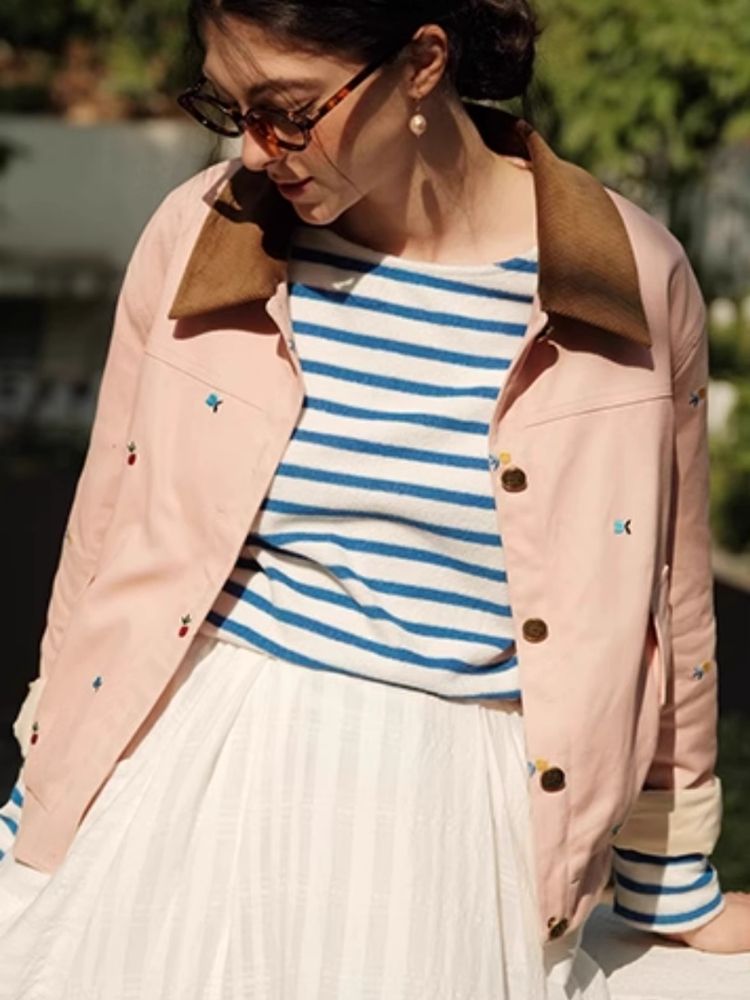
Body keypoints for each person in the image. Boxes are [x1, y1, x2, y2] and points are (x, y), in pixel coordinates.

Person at [1, 0, 748, 996]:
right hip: (193, 776)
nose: (256, 149)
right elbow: (105, 535)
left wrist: (670, 880)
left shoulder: (629, 279)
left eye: (289, 109)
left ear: (423, 62)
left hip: (455, 823)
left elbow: (671, 597)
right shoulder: (200, 230)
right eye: (228, 108)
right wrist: (38, 797)